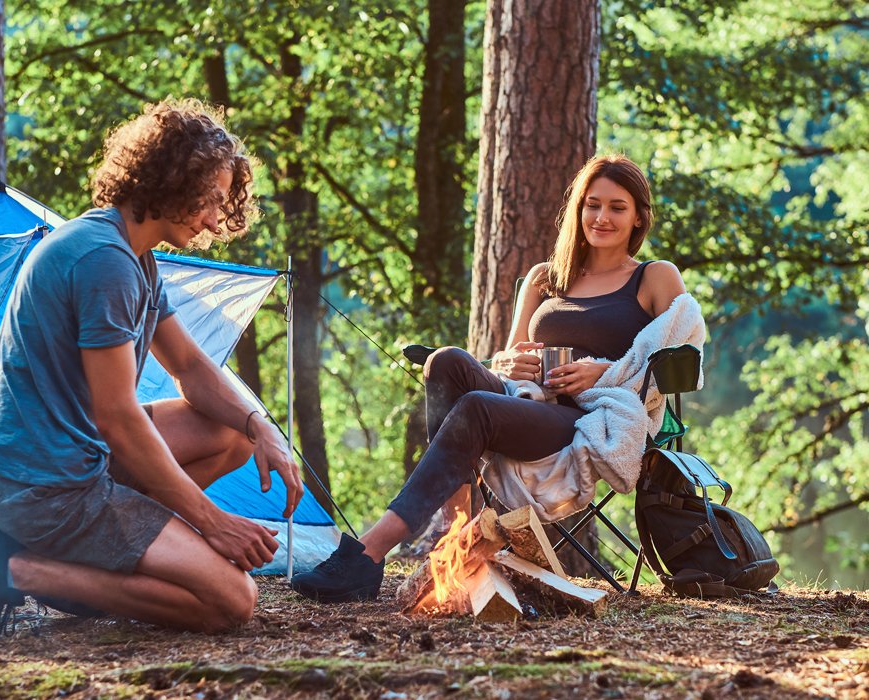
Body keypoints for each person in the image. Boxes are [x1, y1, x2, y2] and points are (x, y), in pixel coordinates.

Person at [0, 99, 304, 642]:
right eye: (210, 200)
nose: (212, 220)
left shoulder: (133, 253)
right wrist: (213, 523)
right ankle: (14, 570)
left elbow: (189, 367)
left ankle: (109, 550)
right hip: (45, 488)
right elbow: (118, 419)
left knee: (231, 433)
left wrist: (260, 426)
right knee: (231, 602)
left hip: (77, 461)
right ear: (174, 178)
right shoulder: (103, 262)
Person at [290, 153, 694, 603]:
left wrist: (606, 372)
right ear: (577, 209)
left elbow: (683, 359)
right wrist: (510, 366)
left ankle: (368, 552)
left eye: (617, 207)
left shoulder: (653, 277)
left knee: (477, 408)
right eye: (592, 204)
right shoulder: (545, 279)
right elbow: (509, 356)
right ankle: (456, 532)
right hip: (525, 400)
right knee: (445, 362)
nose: (602, 217)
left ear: (638, 216)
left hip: (584, 419)